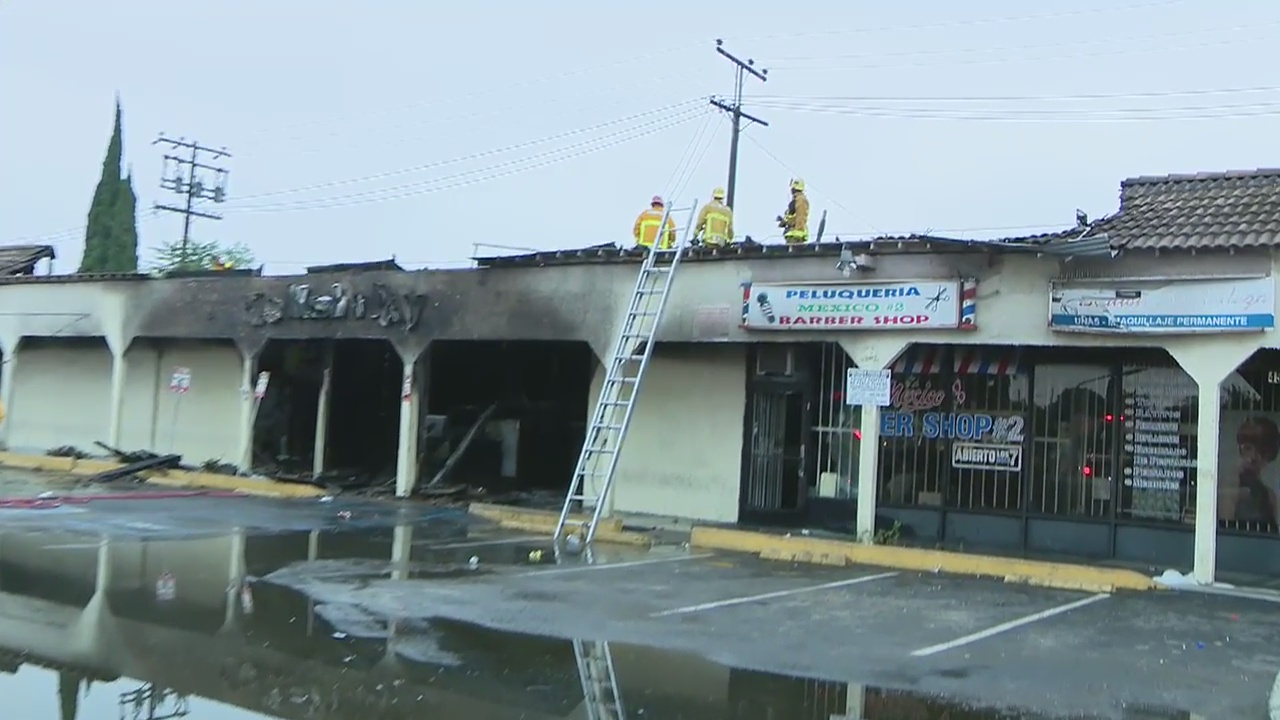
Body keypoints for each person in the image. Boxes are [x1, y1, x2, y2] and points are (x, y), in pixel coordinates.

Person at [776, 178, 810, 244]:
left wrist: (798, 231)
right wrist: (783, 221)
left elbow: (801, 217)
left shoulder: (801, 200)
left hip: (796, 236)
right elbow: (792, 217)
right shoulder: (796, 200)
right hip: (792, 234)